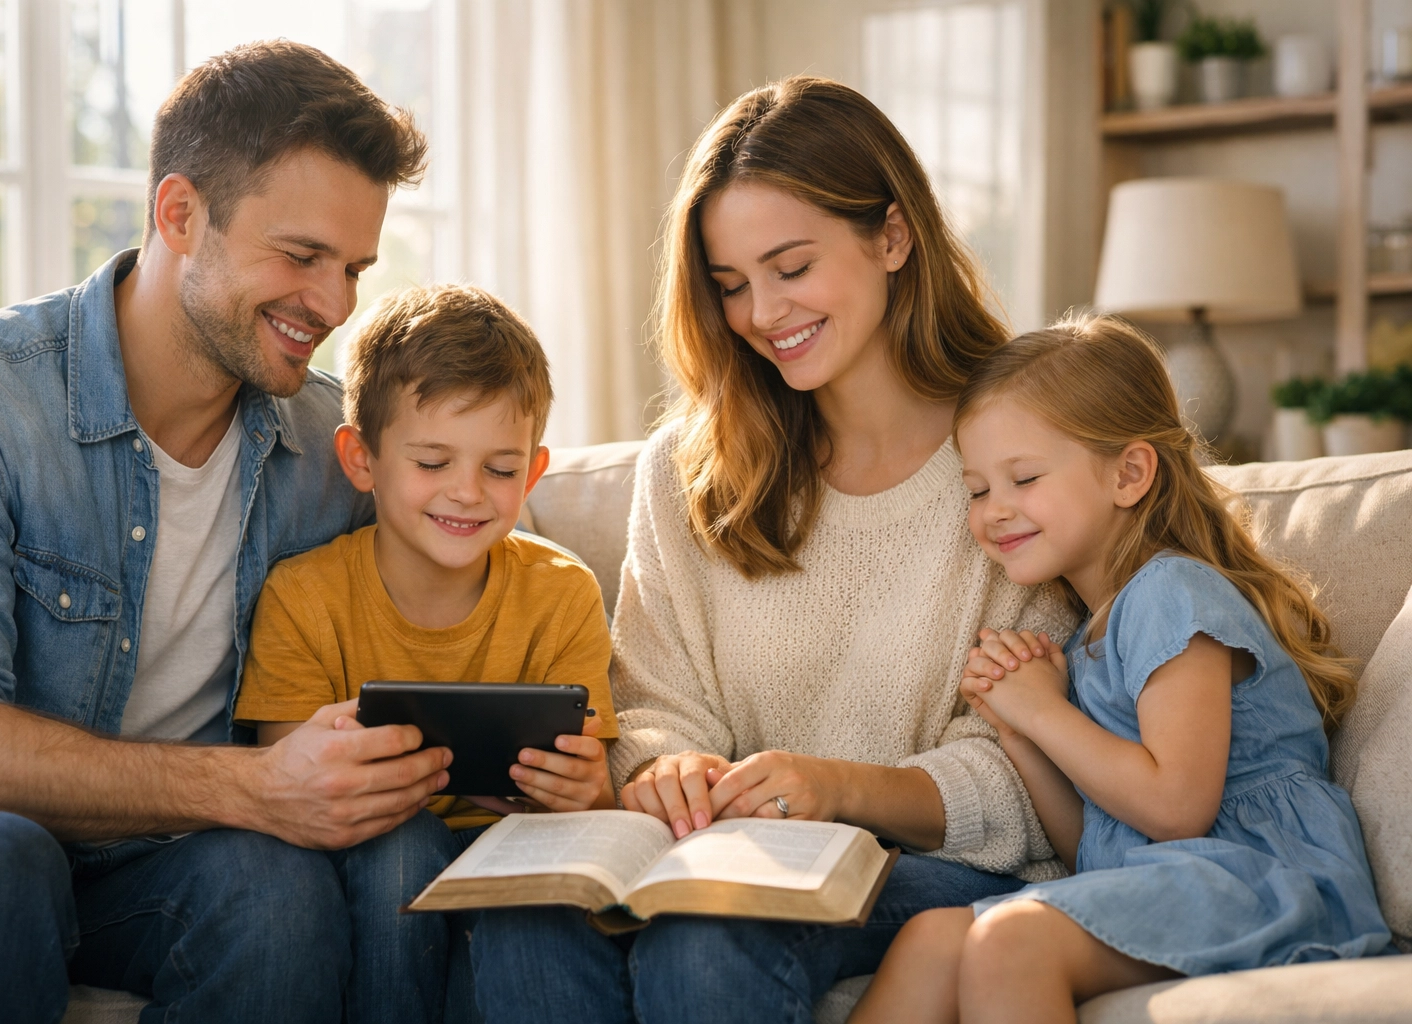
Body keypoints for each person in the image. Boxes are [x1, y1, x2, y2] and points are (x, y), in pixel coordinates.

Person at [471, 75, 1077, 1023]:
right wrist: (666, 767)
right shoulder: (690, 467)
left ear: (891, 236)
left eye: (791, 268)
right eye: (730, 285)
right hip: (727, 855)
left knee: (712, 936)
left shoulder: (1017, 456)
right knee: (524, 921)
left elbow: (1032, 772)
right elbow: (654, 704)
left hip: (938, 871)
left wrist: (833, 788)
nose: (761, 314)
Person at [0, 41, 454, 1024]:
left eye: (355, 268)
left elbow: (450, 572)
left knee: (275, 890)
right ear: (180, 214)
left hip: (158, 866)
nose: (336, 305)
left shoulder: (329, 447)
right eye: (302, 255)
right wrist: (251, 785)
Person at [849, 315, 1391, 1024]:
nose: (994, 511)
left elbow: (1174, 808)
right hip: (1174, 877)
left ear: (1129, 474)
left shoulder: (1173, 593)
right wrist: (1020, 732)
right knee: (933, 938)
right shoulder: (1089, 635)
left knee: (1013, 940)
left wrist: (1046, 712)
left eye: (1025, 477)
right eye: (978, 489)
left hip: (1263, 878)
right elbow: (1097, 850)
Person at [234, 283, 619, 1023]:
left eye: (500, 470)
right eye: (433, 462)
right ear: (362, 460)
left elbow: (594, 795)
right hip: (368, 869)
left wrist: (584, 789)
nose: (468, 493)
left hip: (509, 865)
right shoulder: (303, 597)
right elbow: (288, 783)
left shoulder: (564, 592)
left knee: (529, 910)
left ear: (533, 473)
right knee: (401, 847)